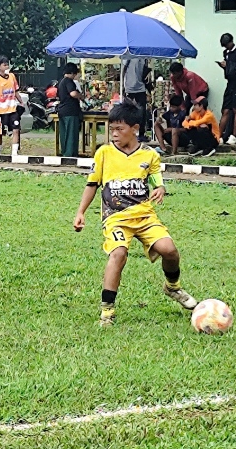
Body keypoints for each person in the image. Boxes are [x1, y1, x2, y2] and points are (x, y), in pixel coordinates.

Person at [72, 100, 198, 326]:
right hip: (116, 218)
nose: (114, 134)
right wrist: (81, 212)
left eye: (119, 129)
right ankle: (107, 311)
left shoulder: (149, 155)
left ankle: (173, 287)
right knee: (118, 254)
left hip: (144, 216)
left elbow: (157, 179)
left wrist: (160, 188)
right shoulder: (104, 153)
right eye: (111, 129)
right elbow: (91, 184)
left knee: (170, 251)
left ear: (135, 129)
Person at [216, 33, 236, 145]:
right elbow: (229, 69)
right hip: (230, 83)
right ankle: (219, 136)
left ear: (231, 42)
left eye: (227, 44)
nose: (226, 47)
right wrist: (224, 66)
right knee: (225, 110)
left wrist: (230, 65)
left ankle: (234, 136)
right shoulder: (226, 53)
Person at [0, 56, 21, 156]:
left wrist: (21, 102)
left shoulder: (12, 76)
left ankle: (14, 152)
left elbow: (16, 91)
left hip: (12, 108)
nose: (7, 67)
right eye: (4, 65)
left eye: (7, 65)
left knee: (16, 130)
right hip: (0, 110)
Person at [57, 63, 84, 157]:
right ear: (72, 73)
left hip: (62, 110)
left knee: (64, 134)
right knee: (71, 134)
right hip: (70, 111)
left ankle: (65, 152)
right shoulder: (69, 81)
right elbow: (73, 94)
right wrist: (80, 96)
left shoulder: (61, 81)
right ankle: (70, 154)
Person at [122, 57, 149, 140]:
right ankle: (127, 133)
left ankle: (141, 134)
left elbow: (146, 72)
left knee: (142, 112)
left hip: (141, 88)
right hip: (129, 88)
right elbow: (124, 70)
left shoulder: (145, 58)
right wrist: (123, 86)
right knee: (128, 112)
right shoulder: (128, 56)